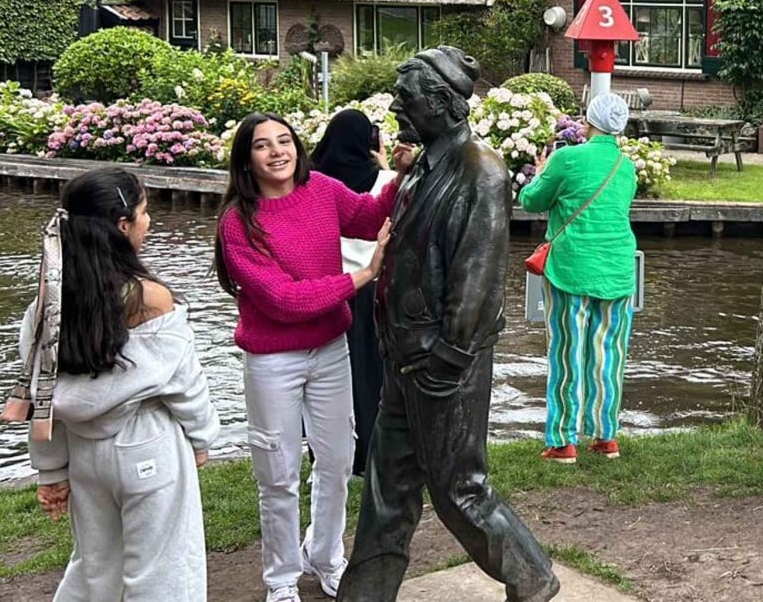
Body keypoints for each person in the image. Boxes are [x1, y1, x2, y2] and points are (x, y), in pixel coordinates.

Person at [342, 45, 558, 602]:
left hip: (443, 362)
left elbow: (479, 276)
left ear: (441, 103)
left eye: (405, 97)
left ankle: (532, 580)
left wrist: (451, 356)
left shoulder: (479, 171)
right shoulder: (421, 168)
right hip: (403, 356)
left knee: (460, 491)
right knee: (387, 489)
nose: (394, 106)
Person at [8, 167, 219, 601]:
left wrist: (51, 469)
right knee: (163, 572)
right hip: (148, 443)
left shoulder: (46, 304)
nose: (149, 221)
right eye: (143, 212)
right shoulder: (148, 297)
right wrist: (201, 439)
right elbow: (185, 384)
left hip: (86, 455)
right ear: (122, 226)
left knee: (96, 569)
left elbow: (40, 393)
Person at [215, 113, 398, 602]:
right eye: (262, 145)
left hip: (329, 350)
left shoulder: (321, 188)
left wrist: (404, 174)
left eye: (284, 141)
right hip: (274, 359)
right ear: (246, 160)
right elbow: (284, 299)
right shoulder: (239, 223)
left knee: (337, 459)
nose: (278, 151)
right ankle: (280, 578)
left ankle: (326, 555)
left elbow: (366, 215)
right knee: (277, 473)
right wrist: (363, 277)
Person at [518, 92, 639, 463]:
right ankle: (606, 437)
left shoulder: (566, 158)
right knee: (609, 357)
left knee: (567, 354)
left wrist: (539, 174)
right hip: (618, 269)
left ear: (588, 120)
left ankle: (562, 441)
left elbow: (531, 201)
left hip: (571, 267)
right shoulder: (627, 166)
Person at [310, 108, 396, 477]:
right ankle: (369, 452)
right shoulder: (383, 180)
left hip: (324, 288)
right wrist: (387, 163)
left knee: (322, 375)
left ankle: (323, 454)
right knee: (369, 373)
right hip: (369, 287)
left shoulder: (311, 182)